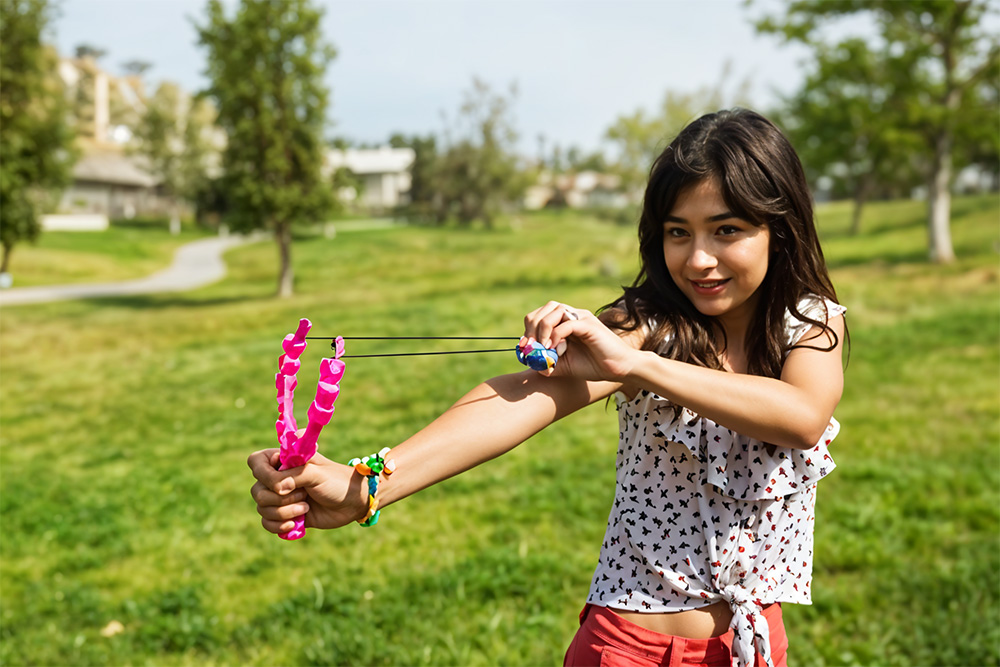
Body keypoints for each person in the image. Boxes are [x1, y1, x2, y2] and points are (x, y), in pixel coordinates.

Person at [248, 108, 847, 667]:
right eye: (678, 232)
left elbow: (801, 416)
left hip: (755, 646)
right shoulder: (646, 323)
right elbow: (522, 397)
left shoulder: (811, 323)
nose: (698, 259)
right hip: (628, 648)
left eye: (727, 229)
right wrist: (365, 486)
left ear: (780, 227)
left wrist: (636, 368)